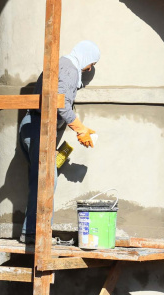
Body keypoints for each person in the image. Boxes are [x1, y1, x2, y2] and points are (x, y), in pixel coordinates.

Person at [19, 40, 101, 243]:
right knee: (46, 181)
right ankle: (38, 235)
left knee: (42, 181)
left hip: (38, 127)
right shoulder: (69, 68)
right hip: (38, 127)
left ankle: (31, 233)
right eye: (91, 64)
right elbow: (60, 102)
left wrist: (78, 129)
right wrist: (79, 127)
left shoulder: (64, 66)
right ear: (87, 60)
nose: (89, 68)